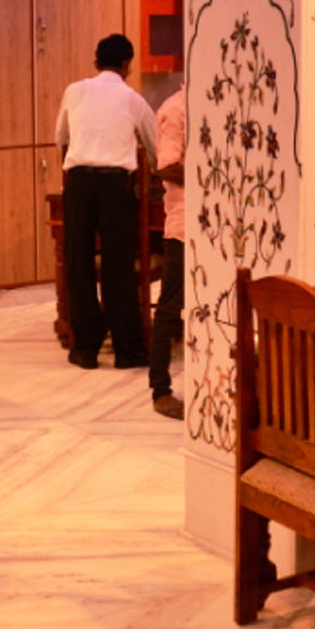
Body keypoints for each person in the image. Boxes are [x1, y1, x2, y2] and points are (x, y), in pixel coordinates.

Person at [57, 33, 158, 370]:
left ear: (96, 61)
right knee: (119, 266)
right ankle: (127, 349)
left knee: (79, 263)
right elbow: (156, 152)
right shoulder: (133, 100)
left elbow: (61, 139)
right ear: (127, 64)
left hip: (78, 183)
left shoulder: (74, 91)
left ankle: (86, 347)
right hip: (116, 186)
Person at [148, 84, 186, 418]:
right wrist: (215, 178)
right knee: (171, 307)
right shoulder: (176, 108)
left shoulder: (215, 105)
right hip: (185, 225)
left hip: (217, 227)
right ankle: (160, 388)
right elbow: (168, 166)